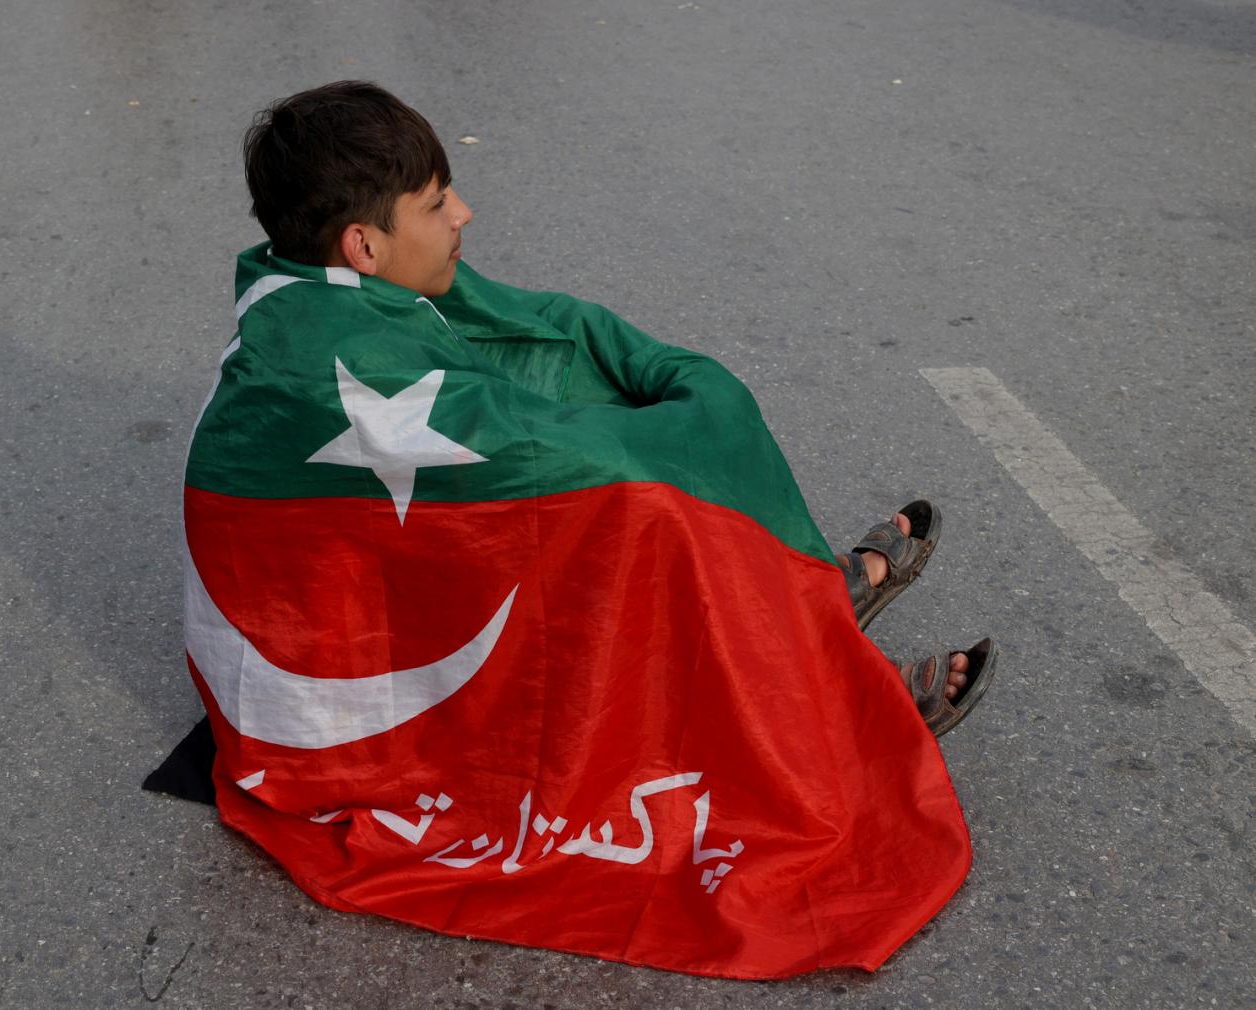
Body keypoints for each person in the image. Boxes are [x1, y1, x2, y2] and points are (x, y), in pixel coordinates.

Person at [176, 80, 996, 980]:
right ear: (363, 244)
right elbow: (548, 459)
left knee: (626, 448)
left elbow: (541, 335)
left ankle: (794, 615)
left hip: (393, 576)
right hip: (359, 657)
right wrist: (681, 436)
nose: (463, 213)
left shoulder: (323, 284)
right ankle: (820, 687)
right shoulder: (324, 360)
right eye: (436, 201)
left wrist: (659, 383)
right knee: (642, 503)